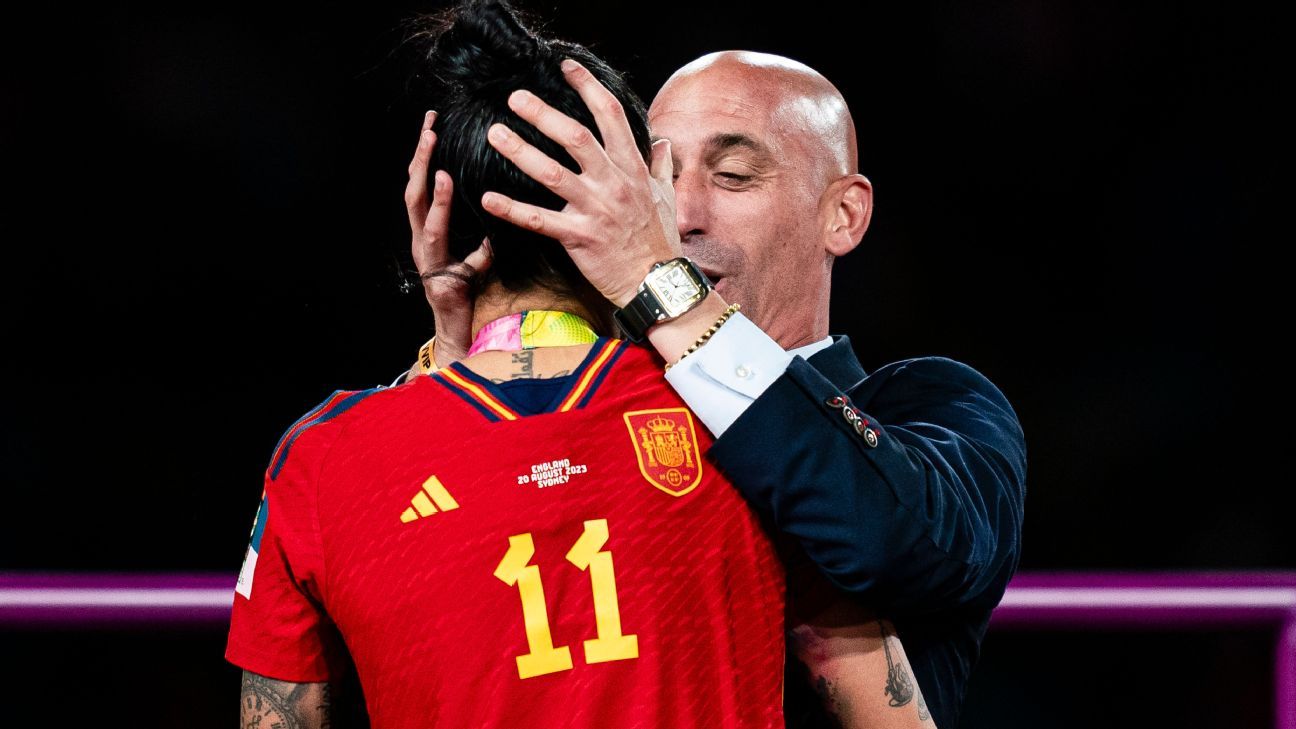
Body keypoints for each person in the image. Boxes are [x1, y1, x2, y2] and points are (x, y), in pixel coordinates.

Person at [227, 3, 934, 728]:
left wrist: (446, 352)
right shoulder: (744, 425)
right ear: (635, 197)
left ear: (442, 215)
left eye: (730, 175)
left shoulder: (320, 461)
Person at [406, 48, 1027, 729]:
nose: (680, 216)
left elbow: (891, 542)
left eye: (732, 177)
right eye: (660, 179)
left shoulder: (939, 406)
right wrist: (461, 351)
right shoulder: (584, 413)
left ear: (843, 215)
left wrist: (660, 282)